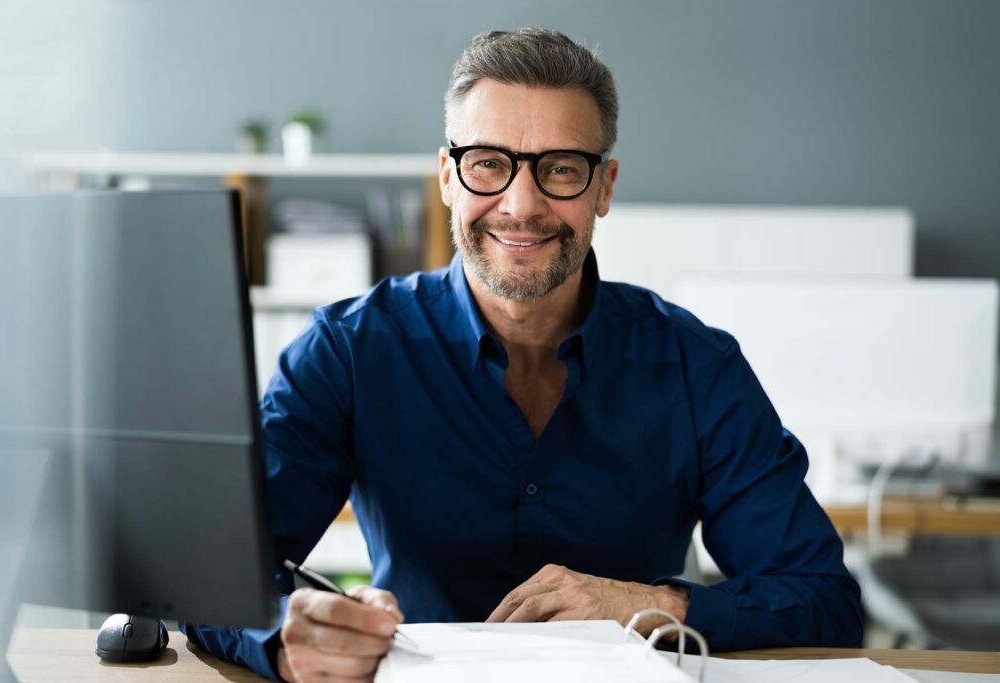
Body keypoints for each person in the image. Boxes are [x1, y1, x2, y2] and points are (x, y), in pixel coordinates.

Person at [182, 27, 862, 682]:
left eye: (561, 169)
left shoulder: (695, 364)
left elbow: (823, 600)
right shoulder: (349, 349)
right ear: (448, 176)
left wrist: (648, 604)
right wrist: (287, 637)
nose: (521, 203)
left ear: (604, 187)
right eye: (489, 163)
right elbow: (210, 579)